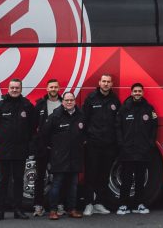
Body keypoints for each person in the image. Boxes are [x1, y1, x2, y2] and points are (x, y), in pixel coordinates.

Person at [0, 78, 36, 221]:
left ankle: (18, 210)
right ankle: (0, 211)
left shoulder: (27, 105)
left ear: (21, 89)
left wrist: (25, 139)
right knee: (3, 181)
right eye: (12, 88)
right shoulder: (0, 106)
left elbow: (33, 125)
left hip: (20, 150)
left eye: (17, 88)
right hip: (4, 151)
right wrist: (1, 136)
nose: (14, 90)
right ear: (8, 89)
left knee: (19, 180)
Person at [40, 91, 86, 220]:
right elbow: (45, 134)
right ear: (63, 101)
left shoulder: (81, 115)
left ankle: (71, 209)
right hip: (60, 157)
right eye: (67, 100)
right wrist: (53, 149)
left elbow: (85, 132)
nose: (69, 102)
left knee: (73, 185)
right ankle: (53, 210)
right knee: (57, 184)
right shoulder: (55, 116)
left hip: (75, 156)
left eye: (71, 100)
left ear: (75, 101)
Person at [82, 74, 121, 215]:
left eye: (108, 82)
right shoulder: (91, 99)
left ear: (111, 84)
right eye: (103, 81)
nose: (105, 84)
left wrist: (116, 141)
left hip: (109, 145)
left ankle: (99, 203)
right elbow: (83, 120)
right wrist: (86, 138)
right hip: (93, 144)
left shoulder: (115, 100)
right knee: (91, 174)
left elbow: (118, 123)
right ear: (99, 83)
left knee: (104, 176)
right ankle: (88, 204)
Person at [116, 83, 158, 215]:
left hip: (142, 151)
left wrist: (150, 143)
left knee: (140, 180)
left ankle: (140, 204)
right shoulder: (124, 109)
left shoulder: (149, 109)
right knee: (126, 180)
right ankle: (123, 205)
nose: (137, 93)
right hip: (127, 151)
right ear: (131, 92)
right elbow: (118, 127)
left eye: (139, 91)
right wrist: (121, 143)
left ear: (143, 93)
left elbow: (154, 127)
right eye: (135, 91)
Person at [31, 79, 62, 216]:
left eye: (55, 87)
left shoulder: (63, 104)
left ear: (59, 88)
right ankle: (38, 205)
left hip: (58, 148)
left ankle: (59, 205)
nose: (53, 89)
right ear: (47, 89)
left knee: (59, 177)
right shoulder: (40, 105)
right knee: (40, 177)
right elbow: (32, 125)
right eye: (51, 87)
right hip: (42, 147)